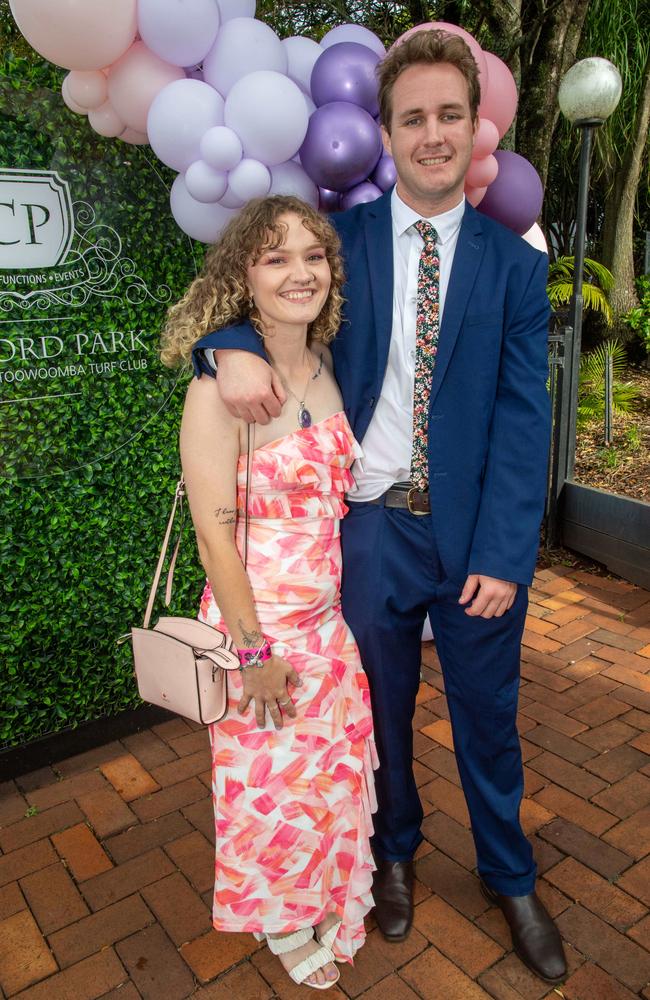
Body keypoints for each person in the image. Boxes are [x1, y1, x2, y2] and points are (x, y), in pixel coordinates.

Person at [191, 30, 567, 985]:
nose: (433, 135)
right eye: (414, 119)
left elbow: (528, 421)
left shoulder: (516, 267)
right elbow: (264, 289)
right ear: (387, 133)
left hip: (476, 539)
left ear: (475, 126)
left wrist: (506, 554)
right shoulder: (341, 245)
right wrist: (226, 344)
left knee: (489, 715)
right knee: (381, 715)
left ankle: (508, 872)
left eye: (451, 115)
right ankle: (392, 853)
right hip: (367, 533)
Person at [161, 195, 377, 991]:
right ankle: (279, 919)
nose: (299, 272)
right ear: (242, 274)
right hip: (262, 632)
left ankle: (316, 889)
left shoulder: (327, 365)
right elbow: (213, 534)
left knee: (321, 777)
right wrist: (252, 653)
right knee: (264, 792)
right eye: (275, 256)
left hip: (328, 629)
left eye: (313, 255)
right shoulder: (217, 389)